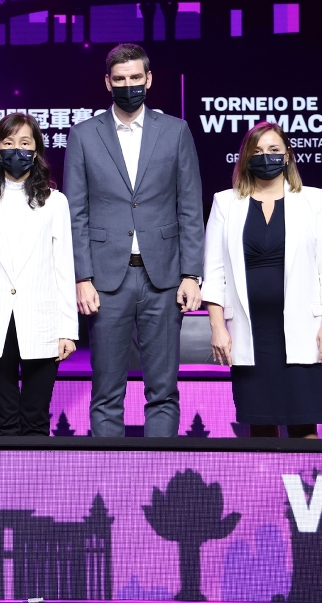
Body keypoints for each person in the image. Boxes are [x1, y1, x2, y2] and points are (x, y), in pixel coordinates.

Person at [65, 43, 204, 438]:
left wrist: (191, 274)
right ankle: (108, 473)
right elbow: (76, 212)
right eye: (120, 79)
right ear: (108, 83)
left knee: (163, 390)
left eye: (136, 78)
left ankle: (160, 469)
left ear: (149, 79)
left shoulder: (175, 131)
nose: (129, 85)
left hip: (164, 278)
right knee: (106, 391)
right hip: (106, 280)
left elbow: (190, 207)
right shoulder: (84, 135)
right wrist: (82, 277)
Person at [202, 122, 322, 438]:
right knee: (261, 426)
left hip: (305, 331)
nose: (265, 157)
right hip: (250, 334)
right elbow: (213, 275)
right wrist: (218, 328)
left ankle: (307, 473)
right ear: (245, 158)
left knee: (304, 424)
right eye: (257, 151)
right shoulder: (225, 203)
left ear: (287, 155)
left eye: (273, 150)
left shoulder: (313, 200)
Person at [0, 114, 78, 436]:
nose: (17, 150)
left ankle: (37, 471)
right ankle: (4, 470)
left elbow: (63, 267)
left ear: (36, 150)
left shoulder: (55, 202)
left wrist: (68, 329)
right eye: (9, 143)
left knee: (37, 419)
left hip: (42, 321)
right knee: (5, 419)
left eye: (25, 143)